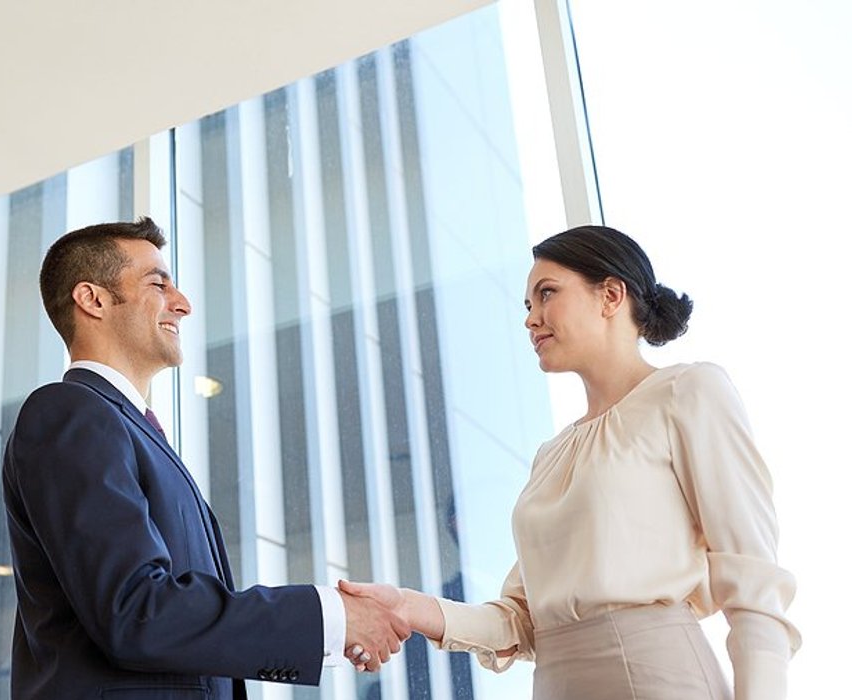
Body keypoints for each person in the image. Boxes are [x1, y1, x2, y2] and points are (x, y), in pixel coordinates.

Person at [339, 225, 800, 699]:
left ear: (611, 295)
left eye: (547, 294)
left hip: (655, 679)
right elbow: (519, 620)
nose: (531, 319)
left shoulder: (688, 392)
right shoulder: (551, 455)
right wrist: (408, 607)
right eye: (527, 306)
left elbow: (754, 580)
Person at [1, 217, 409, 699]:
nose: (183, 303)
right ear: (93, 299)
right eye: (158, 283)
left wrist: (332, 630)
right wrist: (330, 619)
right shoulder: (70, 412)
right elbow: (135, 611)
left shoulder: (126, 428)